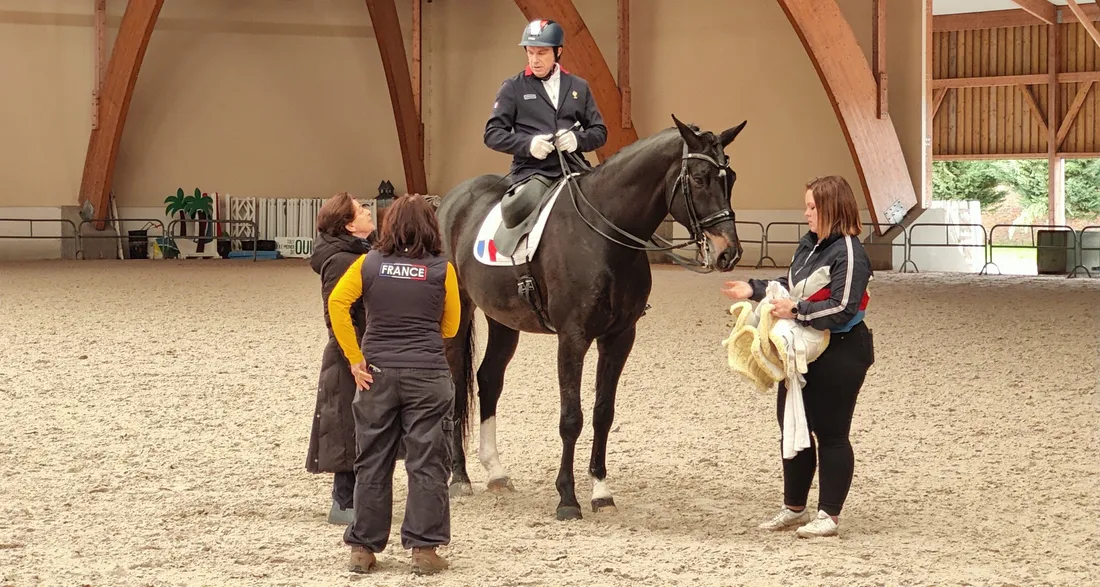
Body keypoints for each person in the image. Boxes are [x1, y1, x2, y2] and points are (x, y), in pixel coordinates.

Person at [721, 175, 875, 538]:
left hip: (841, 352)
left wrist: (796, 311)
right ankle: (794, 507)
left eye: (812, 207)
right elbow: (790, 286)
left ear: (831, 209)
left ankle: (829, 514)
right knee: (792, 426)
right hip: (803, 351)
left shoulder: (850, 251)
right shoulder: (808, 245)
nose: (806, 214)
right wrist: (755, 289)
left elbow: (842, 305)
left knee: (832, 433)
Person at [326, 194, 460, 574]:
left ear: (389, 226)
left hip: (377, 375)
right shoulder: (442, 269)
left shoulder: (369, 264)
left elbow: (338, 303)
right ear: (431, 227)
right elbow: (451, 326)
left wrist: (355, 358)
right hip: (428, 375)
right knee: (428, 462)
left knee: (372, 460)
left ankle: (363, 548)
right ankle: (424, 551)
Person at [306, 192, 375, 526]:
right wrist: (355, 355)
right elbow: (336, 311)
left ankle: (352, 498)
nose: (368, 212)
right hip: (351, 351)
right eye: (361, 211)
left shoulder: (355, 252)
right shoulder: (341, 260)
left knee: (355, 422)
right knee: (347, 424)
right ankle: (343, 501)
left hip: (358, 347)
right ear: (349, 225)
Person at [484, 18, 608, 189]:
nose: (534, 60)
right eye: (530, 52)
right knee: (525, 203)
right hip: (532, 173)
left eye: (542, 53)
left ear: (558, 52)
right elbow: (492, 134)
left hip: (574, 169)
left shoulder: (579, 86)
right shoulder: (512, 87)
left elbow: (599, 132)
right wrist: (528, 144)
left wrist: (577, 140)